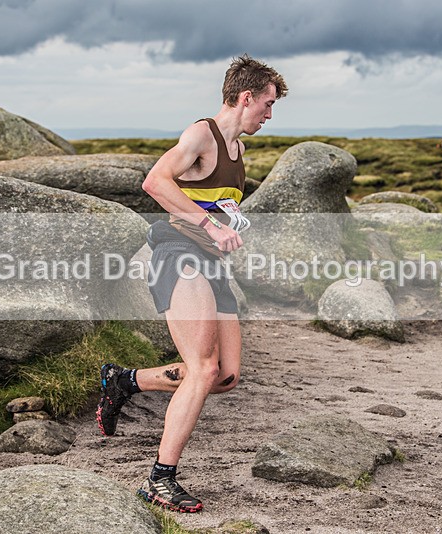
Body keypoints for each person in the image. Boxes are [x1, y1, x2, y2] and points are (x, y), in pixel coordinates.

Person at [96, 54, 287, 513]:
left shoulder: (239, 152)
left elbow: (215, 209)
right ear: (246, 97)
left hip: (210, 263)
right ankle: (159, 480)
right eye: (267, 103)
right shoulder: (201, 135)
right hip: (176, 256)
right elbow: (156, 182)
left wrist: (227, 231)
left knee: (224, 376)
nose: (269, 113)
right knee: (201, 368)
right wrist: (211, 226)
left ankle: (125, 381)